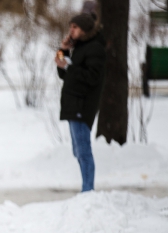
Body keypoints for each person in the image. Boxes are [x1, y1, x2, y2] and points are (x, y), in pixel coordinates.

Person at [55, 12, 106, 192]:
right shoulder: (80, 48)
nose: (71, 31)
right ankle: (86, 190)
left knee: (83, 151)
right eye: (70, 27)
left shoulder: (95, 48)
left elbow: (92, 77)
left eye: (75, 27)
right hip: (72, 104)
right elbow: (64, 75)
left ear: (84, 29)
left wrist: (68, 66)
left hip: (82, 105)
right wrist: (63, 51)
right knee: (77, 151)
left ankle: (88, 191)